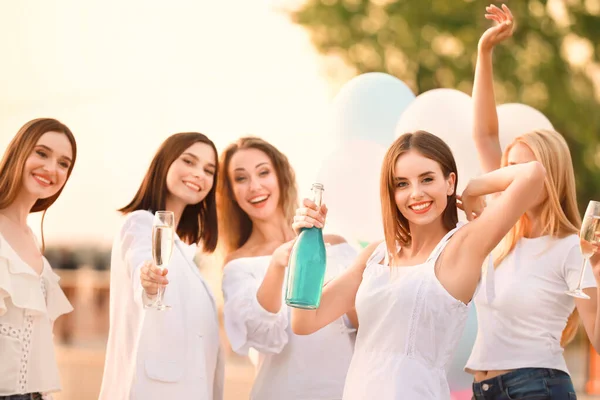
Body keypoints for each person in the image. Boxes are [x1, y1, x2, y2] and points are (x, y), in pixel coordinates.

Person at [290, 130, 546, 399]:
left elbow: (533, 174)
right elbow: (305, 321)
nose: (416, 193)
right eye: (401, 184)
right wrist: (305, 241)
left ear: (449, 182)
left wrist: (473, 189)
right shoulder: (376, 255)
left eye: (427, 179)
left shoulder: (463, 247)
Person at [465, 5, 600, 399]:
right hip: (484, 388)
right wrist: (484, 53)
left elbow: (597, 336)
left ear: (550, 176)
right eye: (510, 170)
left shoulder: (572, 250)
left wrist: (595, 266)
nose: (514, 179)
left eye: (526, 171)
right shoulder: (499, 231)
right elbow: (484, 135)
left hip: (536, 387)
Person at [218, 137, 357, 400]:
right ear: (231, 193)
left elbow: (369, 323)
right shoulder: (238, 266)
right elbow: (260, 336)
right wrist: (278, 263)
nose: (254, 186)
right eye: (241, 178)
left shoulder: (336, 247)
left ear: (280, 177)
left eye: (263, 172)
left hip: (344, 391)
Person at [99, 132, 224, 400]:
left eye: (208, 170)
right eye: (188, 161)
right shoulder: (141, 223)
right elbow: (143, 265)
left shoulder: (182, 250)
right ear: (164, 163)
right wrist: (148, 280)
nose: (198, 173)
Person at [0, 118, 76, 399]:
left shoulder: (32, 239)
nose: (51, 168)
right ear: (20, 152)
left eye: (63, 163)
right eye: (42, 153)